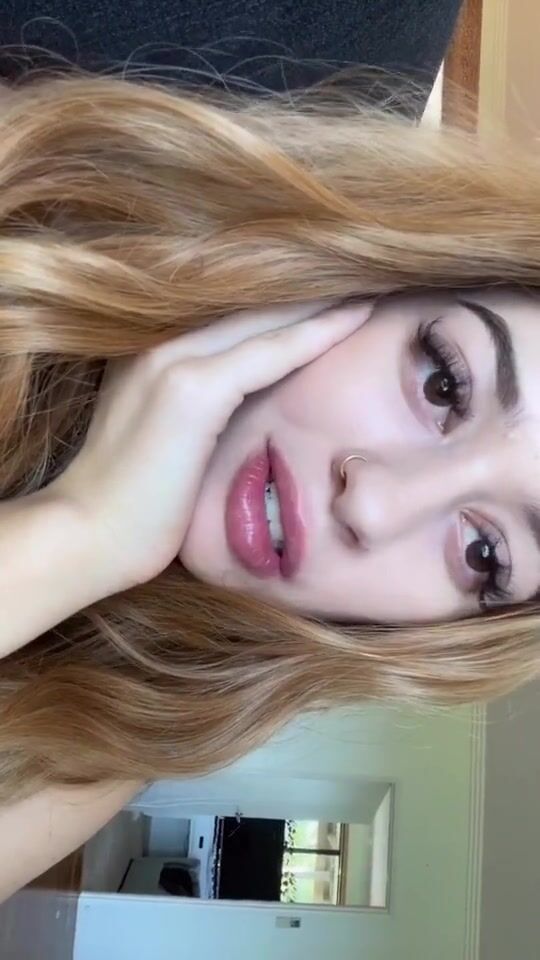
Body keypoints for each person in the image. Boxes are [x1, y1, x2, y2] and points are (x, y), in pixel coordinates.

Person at [4, 57, 540, 899]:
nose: (374, 504)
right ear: (381, 266)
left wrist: (82, 534)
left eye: (485, 555)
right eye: (444, 383)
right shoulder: (31, 180)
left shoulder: (116, 732)